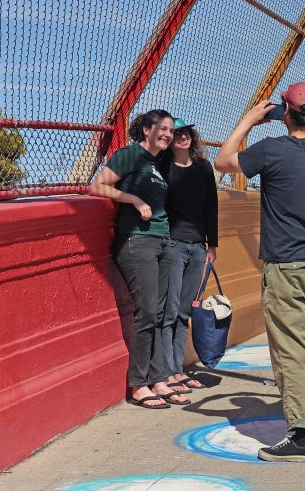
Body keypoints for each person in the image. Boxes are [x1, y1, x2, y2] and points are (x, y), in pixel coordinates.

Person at [214, 82, 305, 463]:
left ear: (284, 112)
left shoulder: (271, 150)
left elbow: (223, 161)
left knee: (291, 351)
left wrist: (249, 121)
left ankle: (303, 436)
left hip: (285, 265)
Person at [89, 110, 189, 409]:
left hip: (161, 241)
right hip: (137, 241)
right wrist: (134, 199)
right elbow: (97, 186)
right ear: (146, 129)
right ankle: (139, 384)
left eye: (171, 130)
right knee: (147, 312)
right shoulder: (130, 154)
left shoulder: (155, 164)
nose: (168, 134)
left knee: (159, 312)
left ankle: (158, 379)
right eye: (162, 128)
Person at [160, 118, 218, 393]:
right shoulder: (162, 167)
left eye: (186, 132)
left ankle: (178, 369)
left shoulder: (204, 168)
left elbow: (211, 207)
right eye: (176, 133)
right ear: (169, 140)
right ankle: (167, 371)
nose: (182, 137)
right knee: (169, 309)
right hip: (172, 245)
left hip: (198, 247)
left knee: (184, 311)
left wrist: (212, 245)